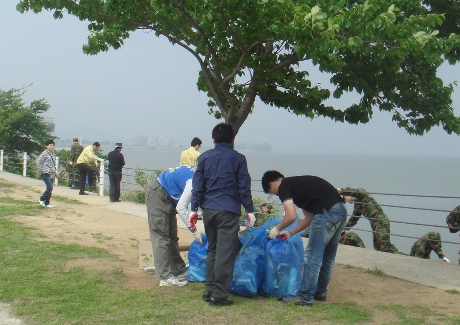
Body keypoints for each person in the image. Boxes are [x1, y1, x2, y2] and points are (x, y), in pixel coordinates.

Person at [189, 123, 255, 306]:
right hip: (228, 209)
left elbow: (198, 186)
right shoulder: (238, 158)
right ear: (232, 139)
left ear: (213, 139)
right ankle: (218, 295)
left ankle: (209, 288)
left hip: (208, 210)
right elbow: (243, 187)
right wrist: (250, 210)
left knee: (213, 249)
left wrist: (194, 209)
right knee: (225, 253)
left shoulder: (204, 158)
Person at [261, 171, 349, 306]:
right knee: (328, 256)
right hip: (340, 211)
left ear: (272, 184)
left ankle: (305, 297)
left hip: (326, 213)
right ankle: (320, 292)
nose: (275, 194)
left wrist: (277, 229)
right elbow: (308, 218)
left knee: (312, 256)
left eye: (271, 191)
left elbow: (290, 215)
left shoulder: (284, 186)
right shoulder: (299, 188)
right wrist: (289, 233)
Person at [146, 165, 202, 287]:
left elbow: (194, 206)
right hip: (158, 194)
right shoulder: (194, 180)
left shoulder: (202, 174)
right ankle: (165, 277)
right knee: (162, 237)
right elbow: (182, 208)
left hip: (169, 197)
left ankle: (179, 270)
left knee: (172, 237)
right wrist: (194, 231)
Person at [341, 187, 399, 253]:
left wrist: (341, 190)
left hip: (381, 221)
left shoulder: (362, 195)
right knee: (378, 247)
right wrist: (344, 228)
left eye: (344, 198)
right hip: (374, 224)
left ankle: (404, 257)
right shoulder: (357, 204)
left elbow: (355, 192)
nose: (346, 201)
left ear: (347, 194)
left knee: (385, 247)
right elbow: (354, 218)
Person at [36, 139, 58, 209]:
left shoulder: (52, 153)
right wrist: (40, 170)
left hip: (51, 173)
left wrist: (55, 172)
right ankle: (42, 198)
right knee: (49, 187)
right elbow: (38, 162)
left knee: (50, 188)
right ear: (46, 146)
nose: (52, 146)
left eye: (53, 145)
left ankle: (47, 202)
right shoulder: (44, 153)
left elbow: (53, 164)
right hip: (46, 172)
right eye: (50, 145)